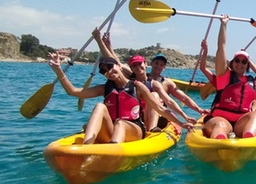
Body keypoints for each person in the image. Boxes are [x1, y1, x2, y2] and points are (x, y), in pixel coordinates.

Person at [48, 53, 192, 144]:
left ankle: (113, 152)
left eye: (111, 67)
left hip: (134, 129)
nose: (109, 72)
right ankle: (86, 148)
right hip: (113, 129)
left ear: (118, 65)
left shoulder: (137, 87)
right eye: (104, 71)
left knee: (121, 123)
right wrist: (59, 71)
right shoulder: (105, 88)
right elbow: (74, 92)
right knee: (100, 107)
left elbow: (160, 108)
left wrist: (182, 123)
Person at [204, 16, 256, 139]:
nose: (240, 64)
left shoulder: (252, 83)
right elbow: (221, 47)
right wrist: (224, 24)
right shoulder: (224, 75)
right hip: (220, 119)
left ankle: (248, 141)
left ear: (247, 65)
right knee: (220, 125)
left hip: (241, 122)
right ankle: (219, 145)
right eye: (237, 60)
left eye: (243, 62)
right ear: (232, 62)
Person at [148, 53, 209, 119]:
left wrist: (200, 110)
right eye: (156, 63)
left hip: (160, 115)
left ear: (164, 68)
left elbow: (184, 98)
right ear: (151, 63)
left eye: (161, 65)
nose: (158, 66)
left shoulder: (167, 83)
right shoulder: (142, 78)